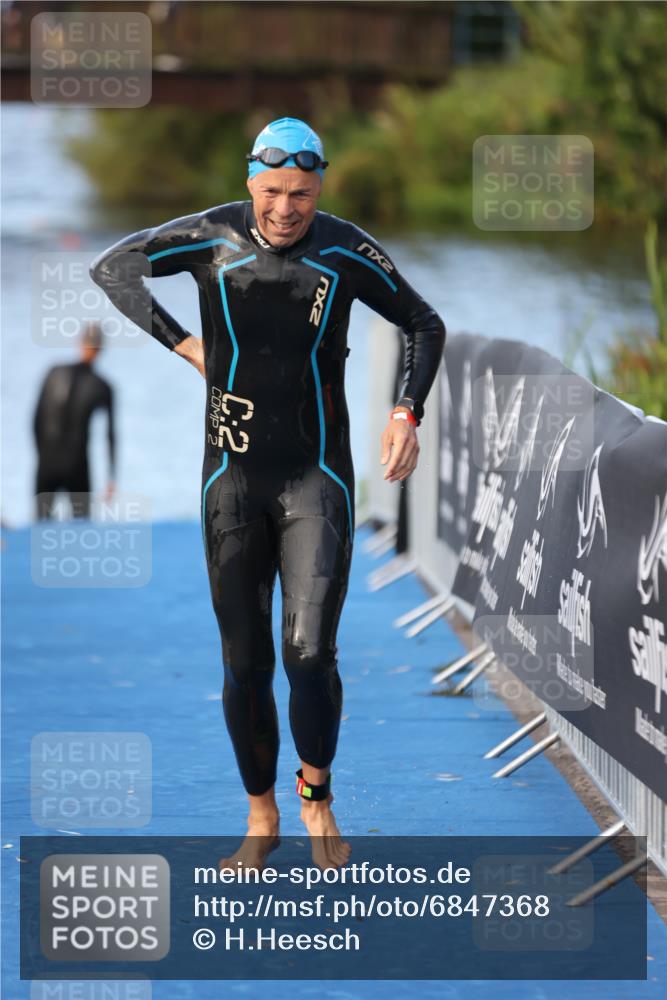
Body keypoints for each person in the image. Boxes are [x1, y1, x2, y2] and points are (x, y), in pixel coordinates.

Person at [90, 117, 446, 870]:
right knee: (244, 660)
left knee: (309, 651)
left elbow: (422, 322)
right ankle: (261, 814)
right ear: (250, 182)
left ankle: (317, 801)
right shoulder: (208, 236)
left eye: (303, 194)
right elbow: (114, 268)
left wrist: (404, 412)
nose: (286, 209)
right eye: (273, 192)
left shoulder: (343, 250)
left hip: (316, 477)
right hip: (231, 480)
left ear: (320, 188)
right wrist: (186, 346)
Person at [33, 323, 116, 520]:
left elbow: (36, 420)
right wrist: (111, 478)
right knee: (81, 530)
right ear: (101, 349)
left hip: (47, 462)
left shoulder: (54, 372)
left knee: (42, 528)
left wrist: (42, 457)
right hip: (77, 465)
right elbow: (110, 435)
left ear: (80, 343)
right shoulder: (102, 386)